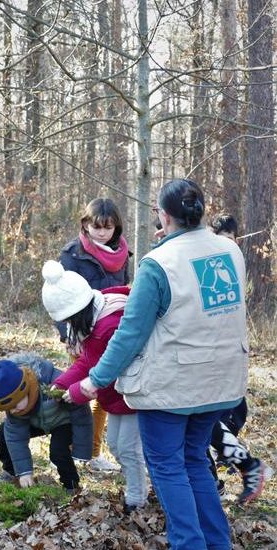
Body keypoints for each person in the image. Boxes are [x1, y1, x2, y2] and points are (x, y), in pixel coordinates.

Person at [79, 179, 248, 550]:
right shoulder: (230, 250)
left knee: (169, 467)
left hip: (174, 387)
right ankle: (217, 544)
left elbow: (129, 333)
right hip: (222, 382)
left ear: (164, 215)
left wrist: (95, 380)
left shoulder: (158, 264)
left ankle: (189, 544)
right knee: (194, 460)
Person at [42, 260, 148, 514]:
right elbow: (87, 363)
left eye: (68, 321)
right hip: (119, 398)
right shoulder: (95, 319)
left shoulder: (107, 328)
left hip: (134, 394)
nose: (67, 327)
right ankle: (138, 491)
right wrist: (62, 383)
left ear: (78, 312)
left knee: (128, 448)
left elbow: (107, 372)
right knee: (115, 444)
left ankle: (137, 498)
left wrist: (77, 391)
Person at [59, 197, 130, 472]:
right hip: (80, 332)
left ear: (116, 228)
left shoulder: (123, 253)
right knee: (80, 391)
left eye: (107, 227)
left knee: (109, 392)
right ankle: (74, 450)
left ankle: (94, 452)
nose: (101, 232)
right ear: (85, 224)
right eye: (96, 226)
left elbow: (127, 292)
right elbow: (61, 298)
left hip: (113, 333)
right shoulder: (73, 253)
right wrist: (67, 334)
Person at [208, 212, 273, 503]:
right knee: (199, 423)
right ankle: (219, 479)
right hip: (204, 354)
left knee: (202, 421)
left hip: (220, 355)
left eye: (229, 239)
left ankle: (242, 467)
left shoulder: (226, 261)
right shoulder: (206, 259)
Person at [0, 353, 93, 492]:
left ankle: (71, 485)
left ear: (23, 390)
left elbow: (81, 414)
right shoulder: (15, 409)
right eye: (8, 409)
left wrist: (82, 450)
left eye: (14, 405)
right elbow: (16, 438)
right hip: (36, 422)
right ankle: (12, 473)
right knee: (5, 431)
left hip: (63, 421)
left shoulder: (55, 383)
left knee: (58, 451)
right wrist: (24, 472)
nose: (13, 411)